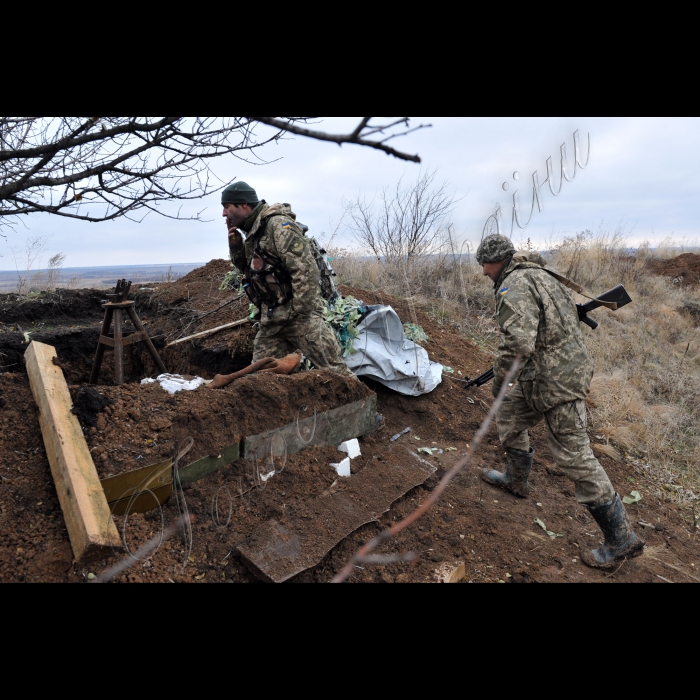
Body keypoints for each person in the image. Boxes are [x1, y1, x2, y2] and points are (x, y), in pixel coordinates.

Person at [476, 234, 644, 569]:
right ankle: (516, 479)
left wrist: (499, 381)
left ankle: (620, 539)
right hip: (543, 373)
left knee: (573, 455)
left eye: (485, 264)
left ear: (499, 260)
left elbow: (518, 343)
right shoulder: (539, 273)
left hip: (557, 380)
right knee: (509, 414)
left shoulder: (516, 284)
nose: (483, 272)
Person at [220, 181, 351, 377]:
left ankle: (366, 407)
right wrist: (235, 243)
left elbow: (305, 271)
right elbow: (247, 269)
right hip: (272, 320)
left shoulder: (278, 226)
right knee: (261, 378)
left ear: (244, 205)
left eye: (227, 207)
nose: (224, 213)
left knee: (336, 374)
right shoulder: (253, 232)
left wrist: (302, 312)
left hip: (300, 317)